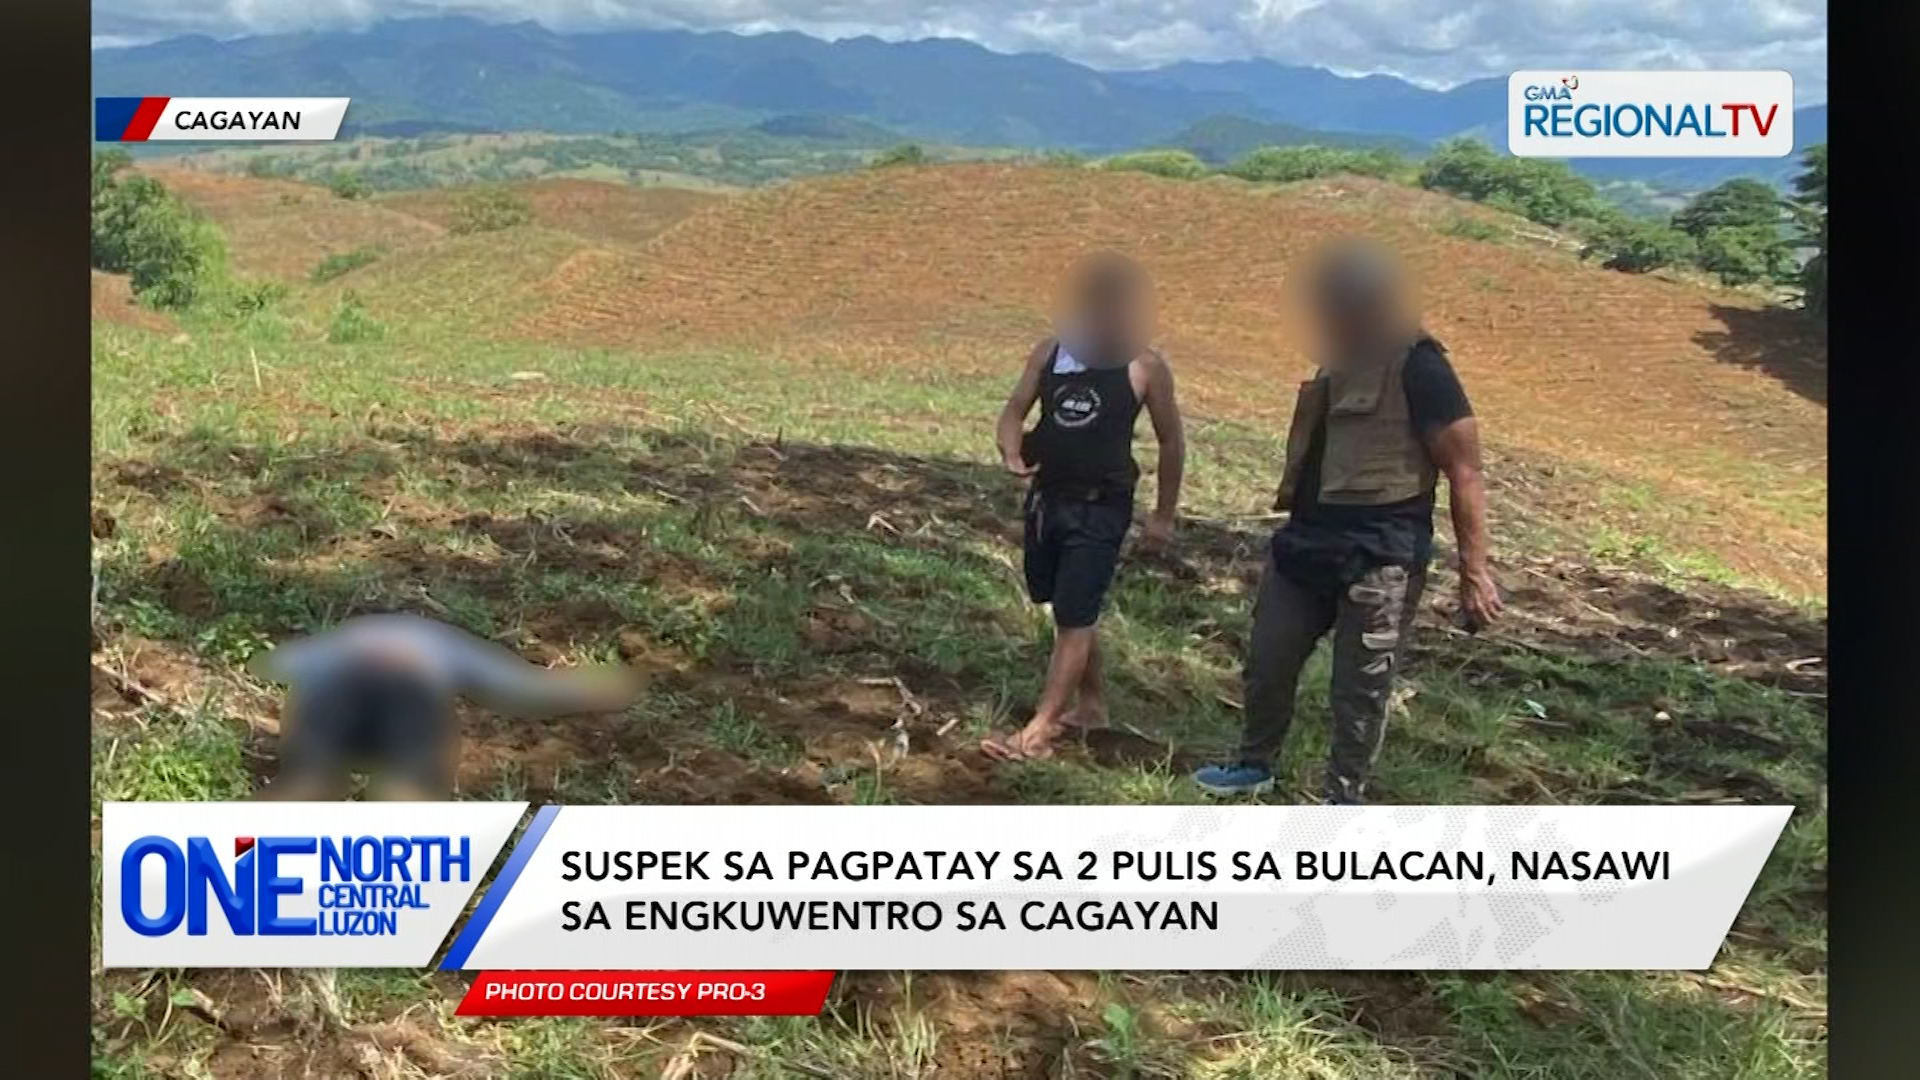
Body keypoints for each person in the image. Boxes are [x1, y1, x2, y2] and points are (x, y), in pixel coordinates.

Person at [1192, 238, 1501, 803]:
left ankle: (1343, 797)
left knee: (1360, 688)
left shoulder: (1420, 365)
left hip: (1379, 553)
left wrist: (1473, 571)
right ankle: (1253, 765)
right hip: (1307, 543)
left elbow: (1465, 470)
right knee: (1267, 661)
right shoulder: (1337, 362)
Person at [982, 251, 1185, 761]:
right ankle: (1092, 705)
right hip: (1048, 500)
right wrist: (1010, 450)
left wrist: (1162, 516)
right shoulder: (1051, 352)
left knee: (1075, 615)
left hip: (1102, 507)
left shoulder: (1145, 367)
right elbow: (1013, 410)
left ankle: (1040, 727)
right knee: (1066, 605)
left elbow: (1170, 443)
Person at [248, 613, 643, 800]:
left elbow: (271, 666)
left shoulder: (335, 640)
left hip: (331, 695)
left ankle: (306, 779)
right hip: (409, 694)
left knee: (308, 780)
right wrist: (602, 692)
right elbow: (525, 691)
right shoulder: (444, 642)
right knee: (406, 790)